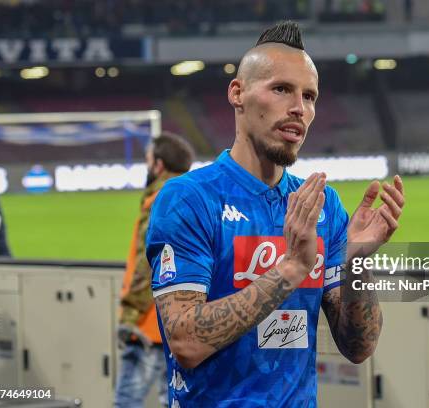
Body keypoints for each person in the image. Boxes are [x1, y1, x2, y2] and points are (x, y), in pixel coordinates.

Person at [146, 21, 405, 407]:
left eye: (310, 96)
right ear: (238, 93)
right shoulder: (190, 199)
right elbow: (186, 341)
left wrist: (356, 263)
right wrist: (290, 269)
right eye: (281, 89)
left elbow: (358, 346)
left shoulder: (324, 206)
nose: (299, 108)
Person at [114, 132, 195, 408]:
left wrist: (130, 315)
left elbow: (146, 264)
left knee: (127, 401)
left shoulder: (159, 200)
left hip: (149, 323)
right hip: (183, 326)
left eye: (149, 160)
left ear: (159, 165)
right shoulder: (196, 198)